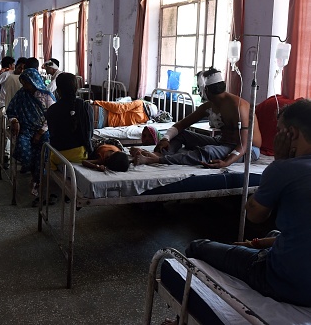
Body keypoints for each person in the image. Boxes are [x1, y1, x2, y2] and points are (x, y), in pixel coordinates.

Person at [185, 99, 311, 307]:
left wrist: (279, 162)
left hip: (285, 283)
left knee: (197, 247)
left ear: (292, 134)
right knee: (274, 235)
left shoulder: (284, 169)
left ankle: (183, 316)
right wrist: (256, 243)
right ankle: (258, 246)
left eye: (279, 131)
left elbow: (254, 215)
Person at [131, 68, 262, 167]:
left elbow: (244, 144)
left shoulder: (239, 107)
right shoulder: (210, 105)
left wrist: (226, 162)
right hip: (222, 142)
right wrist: (165, 139)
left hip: (247, 150)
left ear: (206, 90)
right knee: (181, 135)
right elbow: (181, 125)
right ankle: (159, 153)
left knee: (208, 151)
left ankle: (158, 159)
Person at [6, 68, 55, 196]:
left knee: (44, 150)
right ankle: (33, 173)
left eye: (26, 83)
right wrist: (15, 120)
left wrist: (40, 132)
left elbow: (52, 116)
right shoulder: (21, 94)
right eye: (23, 83)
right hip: (26, 128)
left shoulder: (46, 95)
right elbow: (11, 110)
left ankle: (38, 180)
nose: (24, 86)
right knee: (22, 147)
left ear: (34, 81)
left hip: (43, 130)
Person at [46, 72, 94, 170]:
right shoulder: (86, 107)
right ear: (76, 88)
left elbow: (52, 135)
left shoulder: (52, 110)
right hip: (81, 155)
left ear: (58, 90)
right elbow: (90, 134)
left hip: (58, 156)